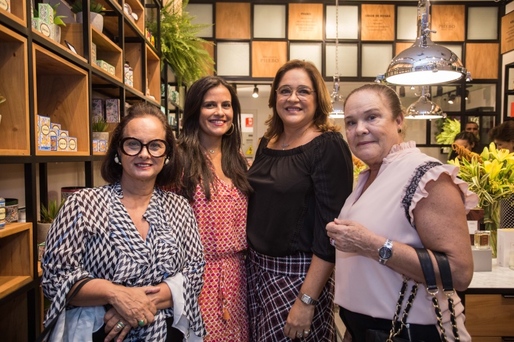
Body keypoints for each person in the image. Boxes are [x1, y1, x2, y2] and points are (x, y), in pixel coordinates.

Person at [41, 103, 206, 341]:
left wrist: (136, 304)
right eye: (133, 144)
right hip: (98, 332)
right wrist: (115, 295)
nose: (144, 154)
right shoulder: (82, 204)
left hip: (165, 332)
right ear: (118, 151)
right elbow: (55, 278)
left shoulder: (179, 207)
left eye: (156, 145)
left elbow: (195, 273)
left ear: (168, 154)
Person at [326, 84, 477, 341]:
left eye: (372, 117)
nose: (359, 129)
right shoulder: (371, 175)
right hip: (367, 329)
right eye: (350, 122)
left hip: (409, 332)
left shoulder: (426, 175)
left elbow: (459, 273)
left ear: (398, 120)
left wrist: (371, 244)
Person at [246, 59, 354, 341]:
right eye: (285, 91)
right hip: (257, 272)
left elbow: (331, 231)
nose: (293, 98)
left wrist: (307, 300)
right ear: (275, 98)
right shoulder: (266, 143)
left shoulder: (328, 145)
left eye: (303, 91)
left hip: (299, 277)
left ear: (317, 99)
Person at [174, 76, 252, 341]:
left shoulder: (238, 159)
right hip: (196, 279)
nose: (220, 112)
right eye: (210, 105)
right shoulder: (178, 159)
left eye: (226, 105)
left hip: (239, 276)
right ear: (196, 110)